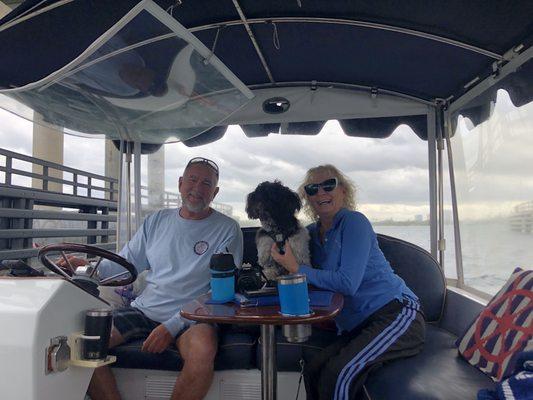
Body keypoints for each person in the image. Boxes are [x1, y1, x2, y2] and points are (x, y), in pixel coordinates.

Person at [85, 157, 243, 400]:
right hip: (144, 311)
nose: (197, 189)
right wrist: (86, 267)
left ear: (215, 192)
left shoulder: (227, 229)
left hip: (193, 317)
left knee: (203, 350)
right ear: (181, 183)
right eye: (192, 180)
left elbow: (219, 292)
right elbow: (123, 267)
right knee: (86, 344)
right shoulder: (156, 221)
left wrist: (171, 326)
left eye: (206, 184)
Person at [271, 164, 425, 400]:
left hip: (395, 313)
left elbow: (347, 283)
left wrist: (296, 268)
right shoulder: (311, 233)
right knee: (313, 369)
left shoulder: (354, 222)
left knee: (339, 372)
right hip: (357, 325)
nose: (321, 193)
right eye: (312, 189)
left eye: (328, 185)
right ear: (307, 198)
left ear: (342, 190)